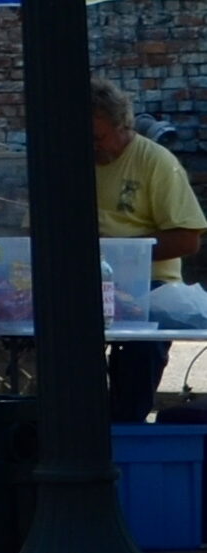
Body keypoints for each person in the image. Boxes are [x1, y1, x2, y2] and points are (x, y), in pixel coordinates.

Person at [92, 80, 205, 419]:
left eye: (98, 138)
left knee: (142, 349)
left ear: (122, 127)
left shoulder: (156, 162)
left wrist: (123, 254)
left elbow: (188, 238)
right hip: (83, 282)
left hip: (148, 285)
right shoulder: (67, 162)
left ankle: (127, 425)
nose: (92, 147)